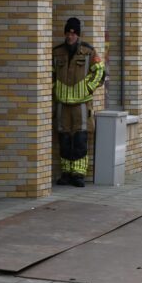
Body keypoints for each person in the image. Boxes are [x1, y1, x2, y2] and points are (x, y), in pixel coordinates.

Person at [53, 17, 105, 187]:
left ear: (78, 35)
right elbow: (50, 73)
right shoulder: (57, 52)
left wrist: (88, 88)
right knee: (64, 138)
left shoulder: (88, 51)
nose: (70, 36)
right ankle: (66, 173)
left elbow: (100, 72)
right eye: (68, 33)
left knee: (81, 138)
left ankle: (79, 174)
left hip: (82, 104)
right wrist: (54, 88)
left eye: (73, 33)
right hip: (62, 103)